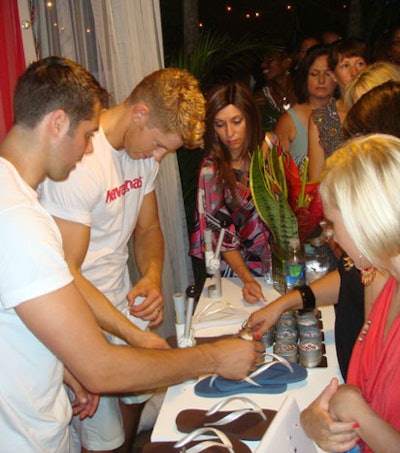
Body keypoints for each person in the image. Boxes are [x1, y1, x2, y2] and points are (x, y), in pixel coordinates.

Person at [0, 56, 264, 452]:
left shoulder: (17, 200)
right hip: (28, 431)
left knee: (127, 423)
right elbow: (100, 366)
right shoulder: (22, 218)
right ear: (57, 124)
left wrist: (151, 277)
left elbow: (148, 229)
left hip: (57, 374)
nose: (89, 147)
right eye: (87, 134)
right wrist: (211, 358)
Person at [38, 67, 206, 453]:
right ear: (140, 113)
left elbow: (148, 230)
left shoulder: (142, 156)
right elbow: (67, 274)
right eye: (159, 144)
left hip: (118, 298)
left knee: (136, 396)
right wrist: (132, 337)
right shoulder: (81, 163)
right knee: (104, 440)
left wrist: (149, 275)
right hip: (78, 312)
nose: (158, 157)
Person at [247, 80, 400, 381]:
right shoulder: (377, 261)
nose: (331, 237)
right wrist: (286, 302)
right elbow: (349, 278)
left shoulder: (381, 263)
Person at [301, 134, 400, 453]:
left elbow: (359, 406)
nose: (333, 237)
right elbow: (360, 392)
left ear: (365, 220)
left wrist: (357, 414)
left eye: (333, 223)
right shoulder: (382, 281)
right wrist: (313, 420)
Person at [190, 81, 272, 304]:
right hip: (237, 274)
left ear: (250, 118)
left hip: (279, 267)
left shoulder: (269, 148)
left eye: (237, 121)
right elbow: (220, 237)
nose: (229, 133)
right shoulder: (211, 170)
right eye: (219, 124)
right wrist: (247, 279)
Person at [308, 37, 369, 180]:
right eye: (345, 66)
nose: (354, 72)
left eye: (359, 64)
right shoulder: (322, 118)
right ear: (333, 75)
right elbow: (316, 179)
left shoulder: (380, 108)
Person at [274, 45, 336, 170]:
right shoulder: (289, 120)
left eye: (327, 74)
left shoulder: (345, 113)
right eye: (314, 74)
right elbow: (276, 171)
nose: (321, 80)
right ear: (305, 77)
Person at [254, 44, 298, 131]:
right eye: (263, 60)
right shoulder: (260, 98)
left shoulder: (304, 92)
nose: (263, 65)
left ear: (287, 62)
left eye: (270, 59)